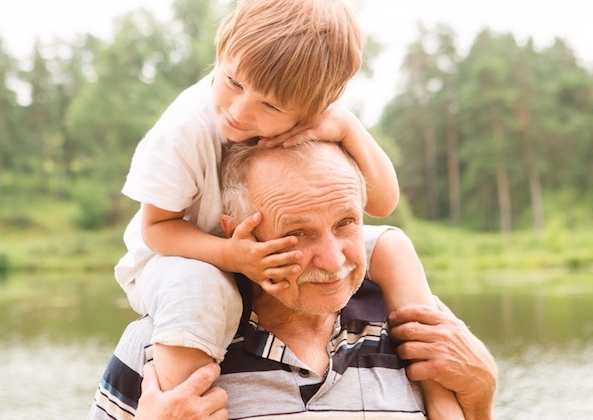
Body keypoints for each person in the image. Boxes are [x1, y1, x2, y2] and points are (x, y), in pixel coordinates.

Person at [114, 0, 458, 410]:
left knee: (393, 247)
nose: (239, 111)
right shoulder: (183, 132)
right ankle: (182, 404)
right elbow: (157, 230)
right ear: (221, 52)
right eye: (233, 81)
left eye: (271, 106)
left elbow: (382, 202)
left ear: (312, 106)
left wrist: (347, 127)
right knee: (200, 290)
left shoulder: (311, 105)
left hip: (266, 245)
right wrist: (231, 255)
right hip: (180, 255)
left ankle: (439, 396)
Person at [90, 141, 498, 419]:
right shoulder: (166, 346)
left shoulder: (416, 329)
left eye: (345, 223)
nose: (334, 259)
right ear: (238, 234)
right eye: (296, 233)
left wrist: (481, 398)